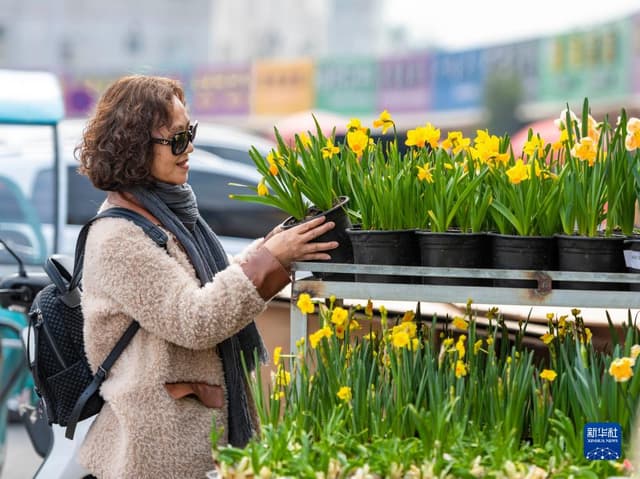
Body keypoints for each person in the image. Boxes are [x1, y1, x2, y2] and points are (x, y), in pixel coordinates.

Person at [75, 74, 337, 478]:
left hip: (183, 440)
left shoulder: (170, 217)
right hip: (156, 453)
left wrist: (272, 251)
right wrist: (270, 259)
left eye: (189, 133)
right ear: (135, 148)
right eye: (177, 139)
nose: (190, 148)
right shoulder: (117, 238)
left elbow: (213, 284)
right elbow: (194, 319)